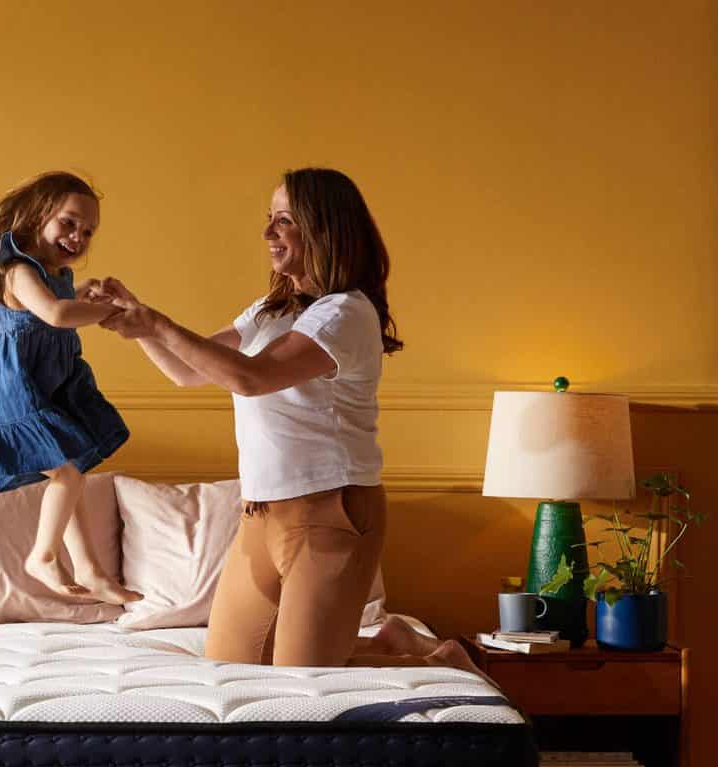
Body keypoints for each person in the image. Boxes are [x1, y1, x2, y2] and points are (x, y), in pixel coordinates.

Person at [100, 167, 463, 669]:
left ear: (322, 229)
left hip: (329, 513)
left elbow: (251, 378)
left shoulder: (345, 315)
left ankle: (441, 663)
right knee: (231, 662)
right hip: (260, 515)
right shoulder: (272, 310)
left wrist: (158, 322)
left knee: (302, 677)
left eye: (284, 220)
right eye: (269, 219)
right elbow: (187, 371)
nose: (268, 233)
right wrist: (138, 325)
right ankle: (389, 641)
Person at [0, 171, 141, 605]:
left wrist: (87, 296)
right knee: (68, 473)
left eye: (88, 231)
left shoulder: (57, 276)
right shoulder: (18, 271)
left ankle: (91, 570)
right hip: (3, 393)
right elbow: (54, 314)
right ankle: (43, 555)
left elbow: (62, 305)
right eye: (69, 223)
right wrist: (103, 310)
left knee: (71, 473)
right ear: (37, 217)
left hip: (36, 389)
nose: (78, 236)